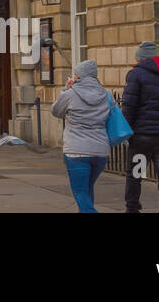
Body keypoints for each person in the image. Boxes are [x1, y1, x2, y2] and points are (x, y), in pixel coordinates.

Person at [121, 40, 159, 213]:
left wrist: (126, 133)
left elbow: (129, 106)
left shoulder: (136, 75)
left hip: (143, 137)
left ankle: (132, 208)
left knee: (136, 174)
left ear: (140, 58)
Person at [51, 59, 112, 213]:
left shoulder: (70, 94)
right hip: (100, 151)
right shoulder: (105, 94)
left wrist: (65, 90)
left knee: (79, 191)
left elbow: (56, 112)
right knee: (87, 188)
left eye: (76, 75)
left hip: (76, 150)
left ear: (79, 77)